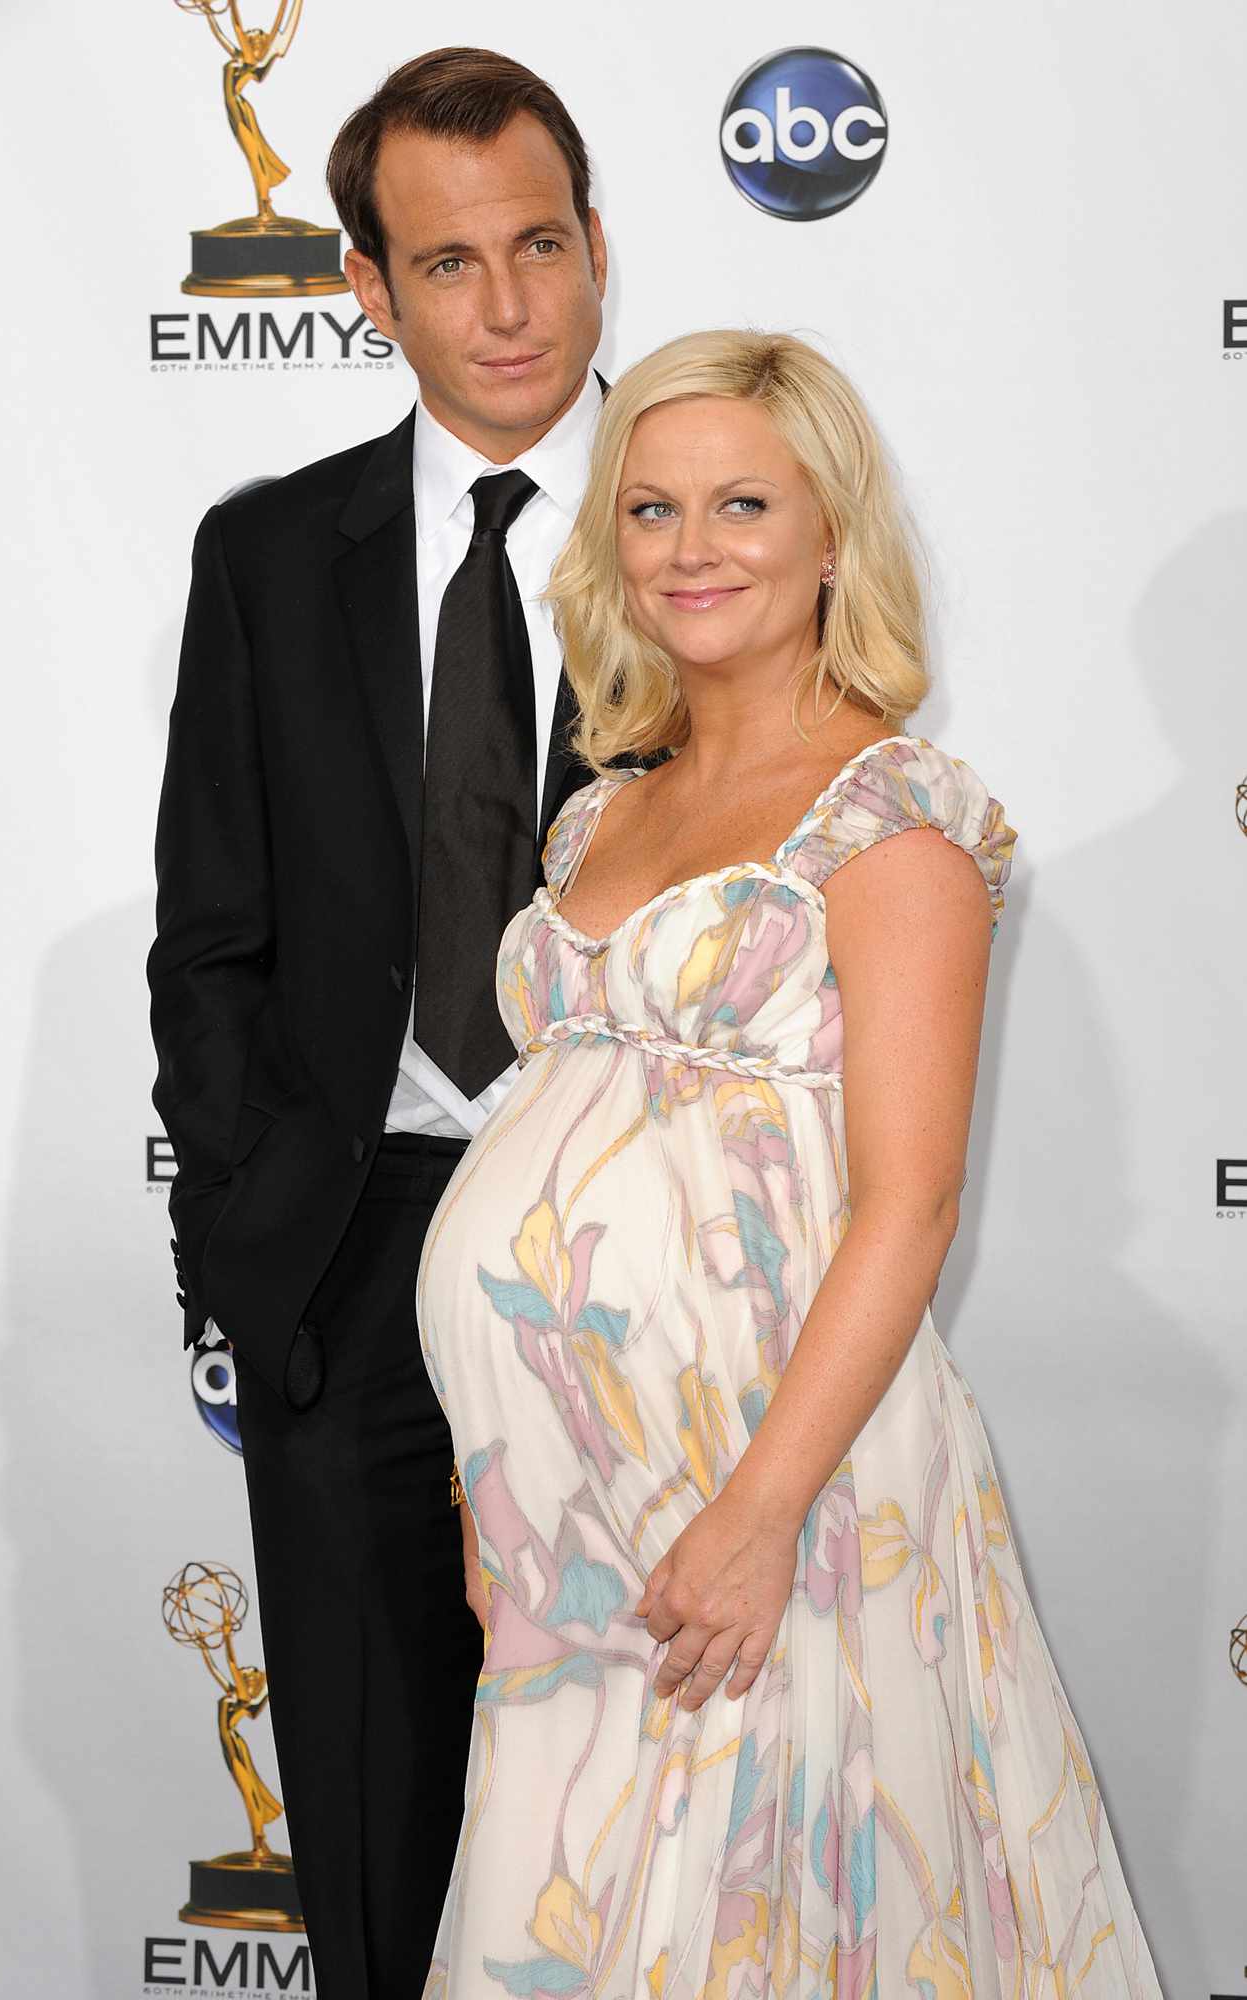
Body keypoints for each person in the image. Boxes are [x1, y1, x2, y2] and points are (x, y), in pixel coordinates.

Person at [416, 331, 1163, 1997]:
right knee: (572, 1911)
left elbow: (911, 1204)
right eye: (654, 507)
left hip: (782, 1495)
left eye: (743, 503)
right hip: (565, 1525)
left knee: (769, 1923)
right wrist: (496, 1486)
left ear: (835, 532)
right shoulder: (602, 814)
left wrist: (759, 1516)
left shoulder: (891, 817)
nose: (692, 548)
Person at [147, 46, 608, 1997]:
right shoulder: (269, 555)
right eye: (445, 263)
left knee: (628, 1807)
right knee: (366, 1805)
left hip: (633, 1260)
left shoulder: (718, 523)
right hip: (349, 1260)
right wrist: (256, 1240)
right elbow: (215, 939)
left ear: (598, 246)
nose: (504, 308)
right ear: (364, 286)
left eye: (537, 246)